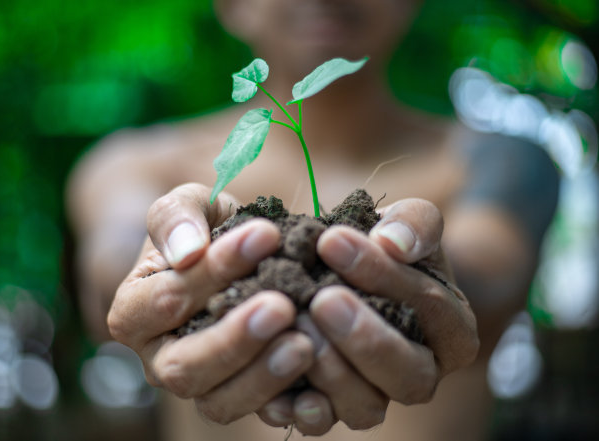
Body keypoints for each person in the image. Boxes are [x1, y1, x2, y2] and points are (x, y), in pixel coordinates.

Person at [66, 0, 559, 439]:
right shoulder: (138, 164)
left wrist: (424, 276)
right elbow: (113, 263)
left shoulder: (498, 161)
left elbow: (490, 277)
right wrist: (164, 269)